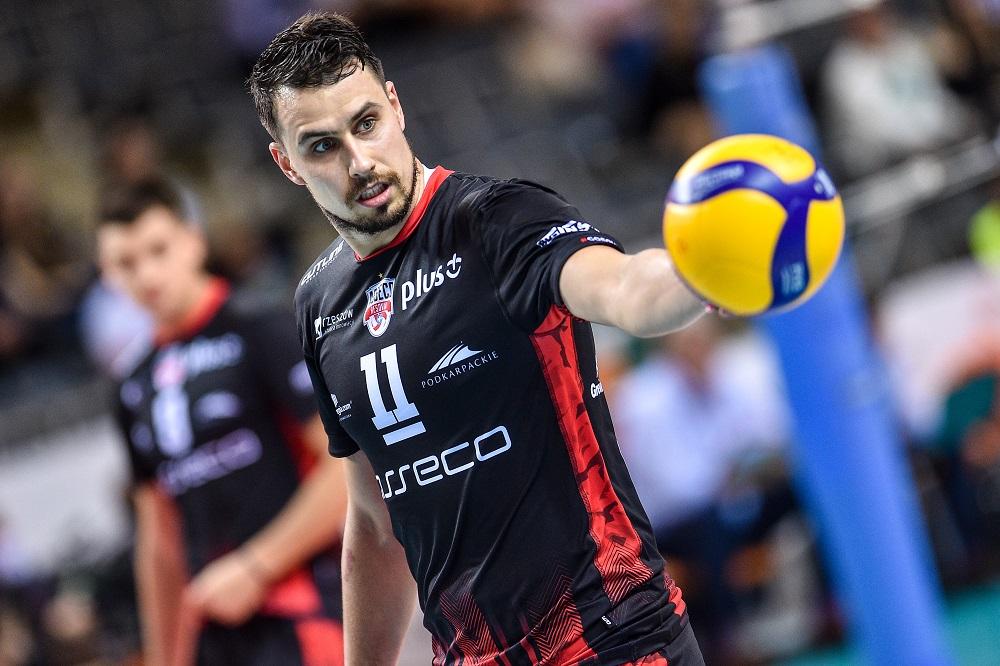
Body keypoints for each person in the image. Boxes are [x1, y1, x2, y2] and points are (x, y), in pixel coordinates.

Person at [249, 12, 707, 665]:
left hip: (613, 639)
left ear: (395, 106)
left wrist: (702, 271)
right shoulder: (318, 303)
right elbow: (374, 523)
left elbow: (627, 287)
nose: (359, 161)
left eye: (366, 123)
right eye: (322, 146)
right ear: (287, 164)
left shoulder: (497, 221)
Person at [96, 178, 347, 666]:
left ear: (194, 241)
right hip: (212, 632)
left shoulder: (261, 330)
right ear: (107, 273)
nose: (147, 274)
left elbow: (345, 471)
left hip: (302, 610)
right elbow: (158, 539)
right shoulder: (131, 384)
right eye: (125, 263)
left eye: (158, 250)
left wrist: (256, 567)